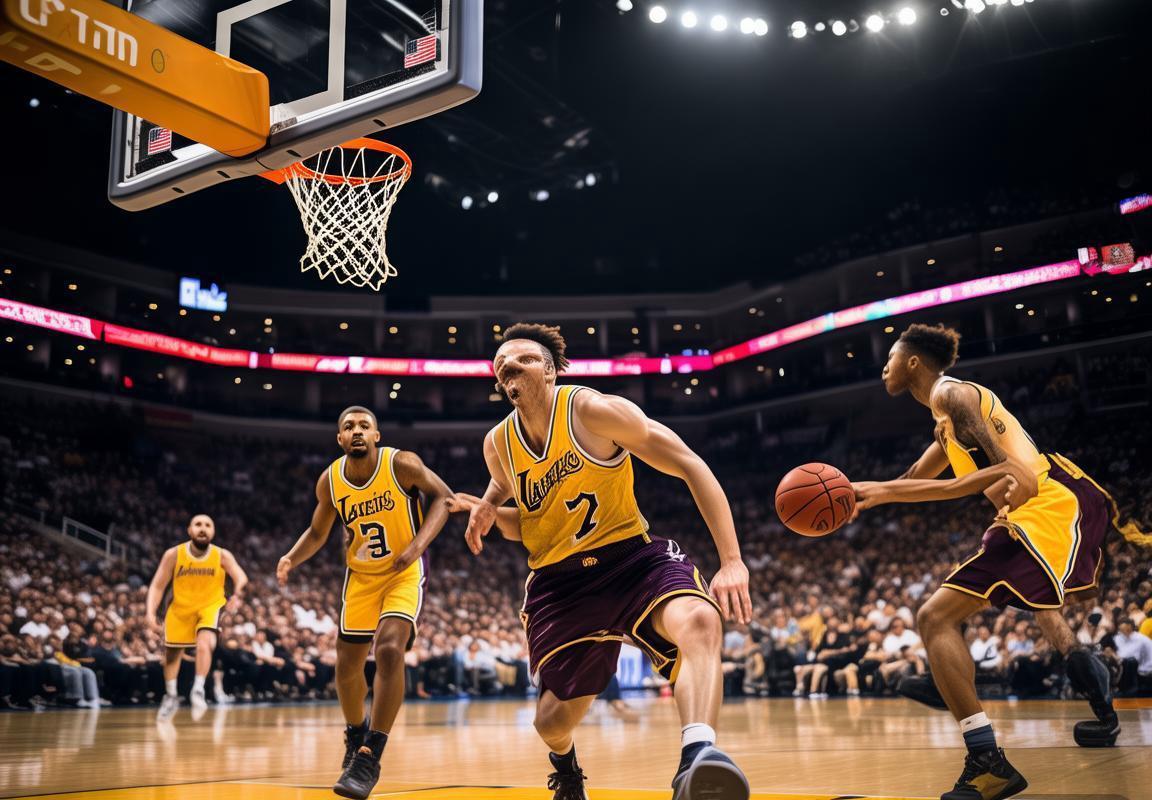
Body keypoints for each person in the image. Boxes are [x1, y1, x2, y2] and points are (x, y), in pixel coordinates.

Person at [452, 323, 752, 800]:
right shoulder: (498, 445)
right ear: (499, 383)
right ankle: (566, 768)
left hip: (631, 559)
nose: (509, 365)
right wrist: (489, 505)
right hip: (560, 585)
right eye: (501, 363)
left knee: (700, 619)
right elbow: (517, 502)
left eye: (524, 358)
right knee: (551, 723)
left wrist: (731, 560)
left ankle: (697, 758)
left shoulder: (593, 412)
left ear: (550, 371)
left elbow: (689, 462)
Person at [850, 323, 1121, 800]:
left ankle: (986, 759)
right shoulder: (944, 423)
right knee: (1027, 609)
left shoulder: (950, 395)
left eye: (889, 358)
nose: (884, 368)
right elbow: (914, 478)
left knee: (935, 617)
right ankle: (1088, 688)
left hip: (1041, 509)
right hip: (1033, 511)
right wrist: (857, 496)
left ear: (913, 362)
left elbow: (1004, 470)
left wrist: (885, 491)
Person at [277, 406, 453, 800]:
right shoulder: (330, 481)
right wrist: (290, 557)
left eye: (364, 425)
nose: (356, 431)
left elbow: (445, 498)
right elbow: (317, 532)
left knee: (389, 650)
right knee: (346, 667)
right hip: (360, 577)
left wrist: (417, 547)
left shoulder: (402, 464)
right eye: (348, 426)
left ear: (376, 435)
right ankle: (355, 733)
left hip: (403, 572)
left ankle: (370, 753)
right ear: (339, 438)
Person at [146, 514, 248, 719]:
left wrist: (237, 595)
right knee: (172, 655)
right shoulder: (174, 554)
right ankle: (171, 695)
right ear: (189, 530)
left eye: (208, 525)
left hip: (210, 606)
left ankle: (199, 689)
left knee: (205, 643)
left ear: (213, 532)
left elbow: (241, 577)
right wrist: (150, 612)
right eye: (198, 524)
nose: (203, 528)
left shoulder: (222, 555)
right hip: (180, 608)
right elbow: (157, 585)